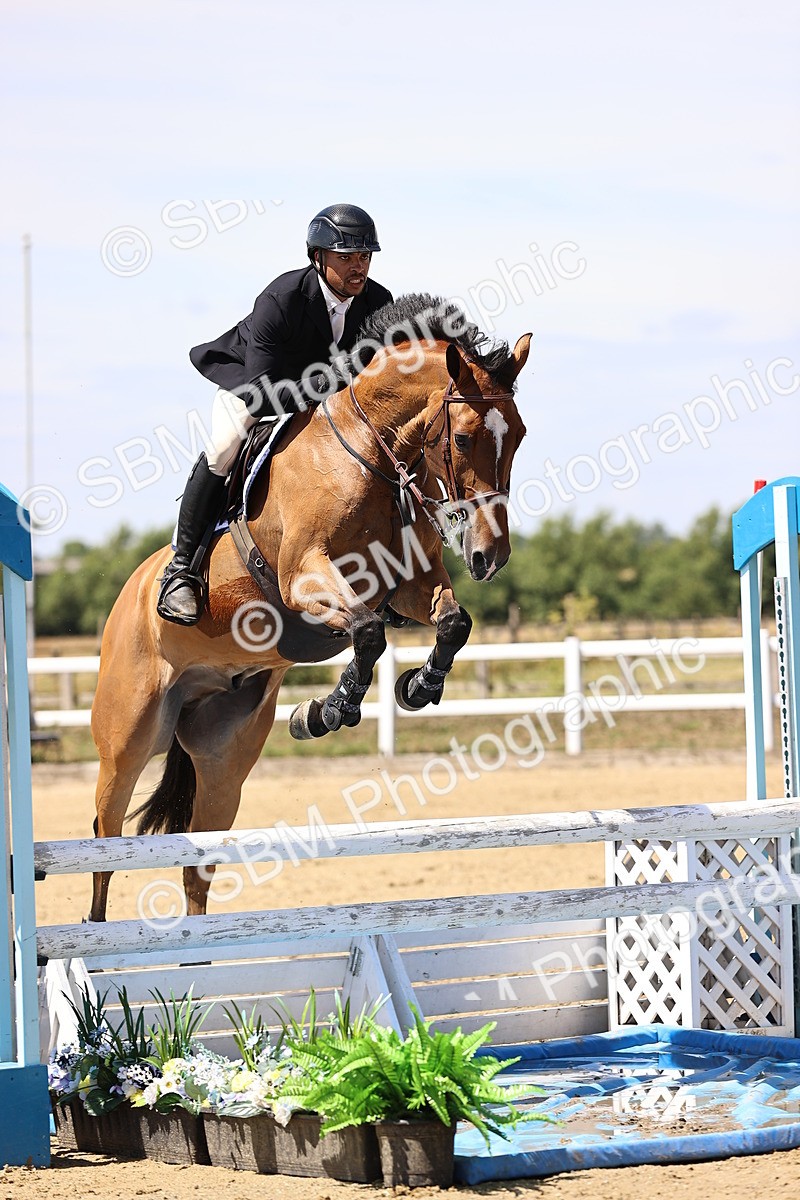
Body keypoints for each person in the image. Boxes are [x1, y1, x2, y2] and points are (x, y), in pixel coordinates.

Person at [157, 203, 394, 626]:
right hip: (253, 384)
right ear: (318, 258)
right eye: (346, 258)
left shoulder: (378, 301)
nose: (359, 267)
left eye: (365, 256)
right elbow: (262, 393)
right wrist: (325, 386)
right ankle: (182, 571)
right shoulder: (281, 298)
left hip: (326, 399)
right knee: (224, 447)